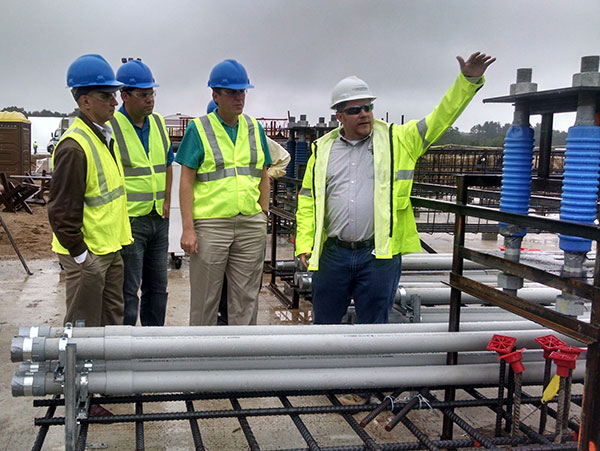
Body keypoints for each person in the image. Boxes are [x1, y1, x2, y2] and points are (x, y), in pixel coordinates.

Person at [296, 52, 495, 325]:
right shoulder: (322, 150)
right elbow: (308, 201)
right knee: (324, 325)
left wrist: (467, 80)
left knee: (375, 326)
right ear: (339, 116)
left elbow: (441, 118)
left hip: (379, 255)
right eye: (355, 110)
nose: (364, 114)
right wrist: (305, 244)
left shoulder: (399, 140)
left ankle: (371, 368)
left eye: (368, 107)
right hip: (333, 254)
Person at [177, 59, 272, 326]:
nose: (239, 98)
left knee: (246, 300)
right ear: (215, 95)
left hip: (250, 223)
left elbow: (263, 173)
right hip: (211, 225)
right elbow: (186, 181)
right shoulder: (199, 129)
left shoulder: (255, 128)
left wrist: (262, 214)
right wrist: (188, 229)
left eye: (242, 92)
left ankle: (241, 359)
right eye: (232, 92)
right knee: (205, 300)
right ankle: (201, 359)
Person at [48, 54, 132, 328]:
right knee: (83, 329)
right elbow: (61, 211)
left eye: (114, 95)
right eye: (106, 96)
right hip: (89, 255)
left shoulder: (102, 136)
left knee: (112, 325)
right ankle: (78, 372)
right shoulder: (74, 147)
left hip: (109, 248)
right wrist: (82, 256)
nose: (115, 102)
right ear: (85, 101)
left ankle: (111, 371)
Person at [205, 99, 291, 325]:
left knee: (243, 287)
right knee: (216, 287)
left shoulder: (252, 134)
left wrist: (268, 177)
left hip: (247, 219)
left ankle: (235, 335)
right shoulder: (206, 136)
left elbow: (283, 158)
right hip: (216, 223)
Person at [111, 60, 174, 327]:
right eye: (143, 95)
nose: (150, 100)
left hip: (158, 218)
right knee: (128, 289)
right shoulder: (112, 126)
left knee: (158, 288)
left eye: (152, 94)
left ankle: (153, 343)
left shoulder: (158, 124)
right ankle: (125, 346)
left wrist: (168, 200)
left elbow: (168, 165)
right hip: (131, 221)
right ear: (124, 96)